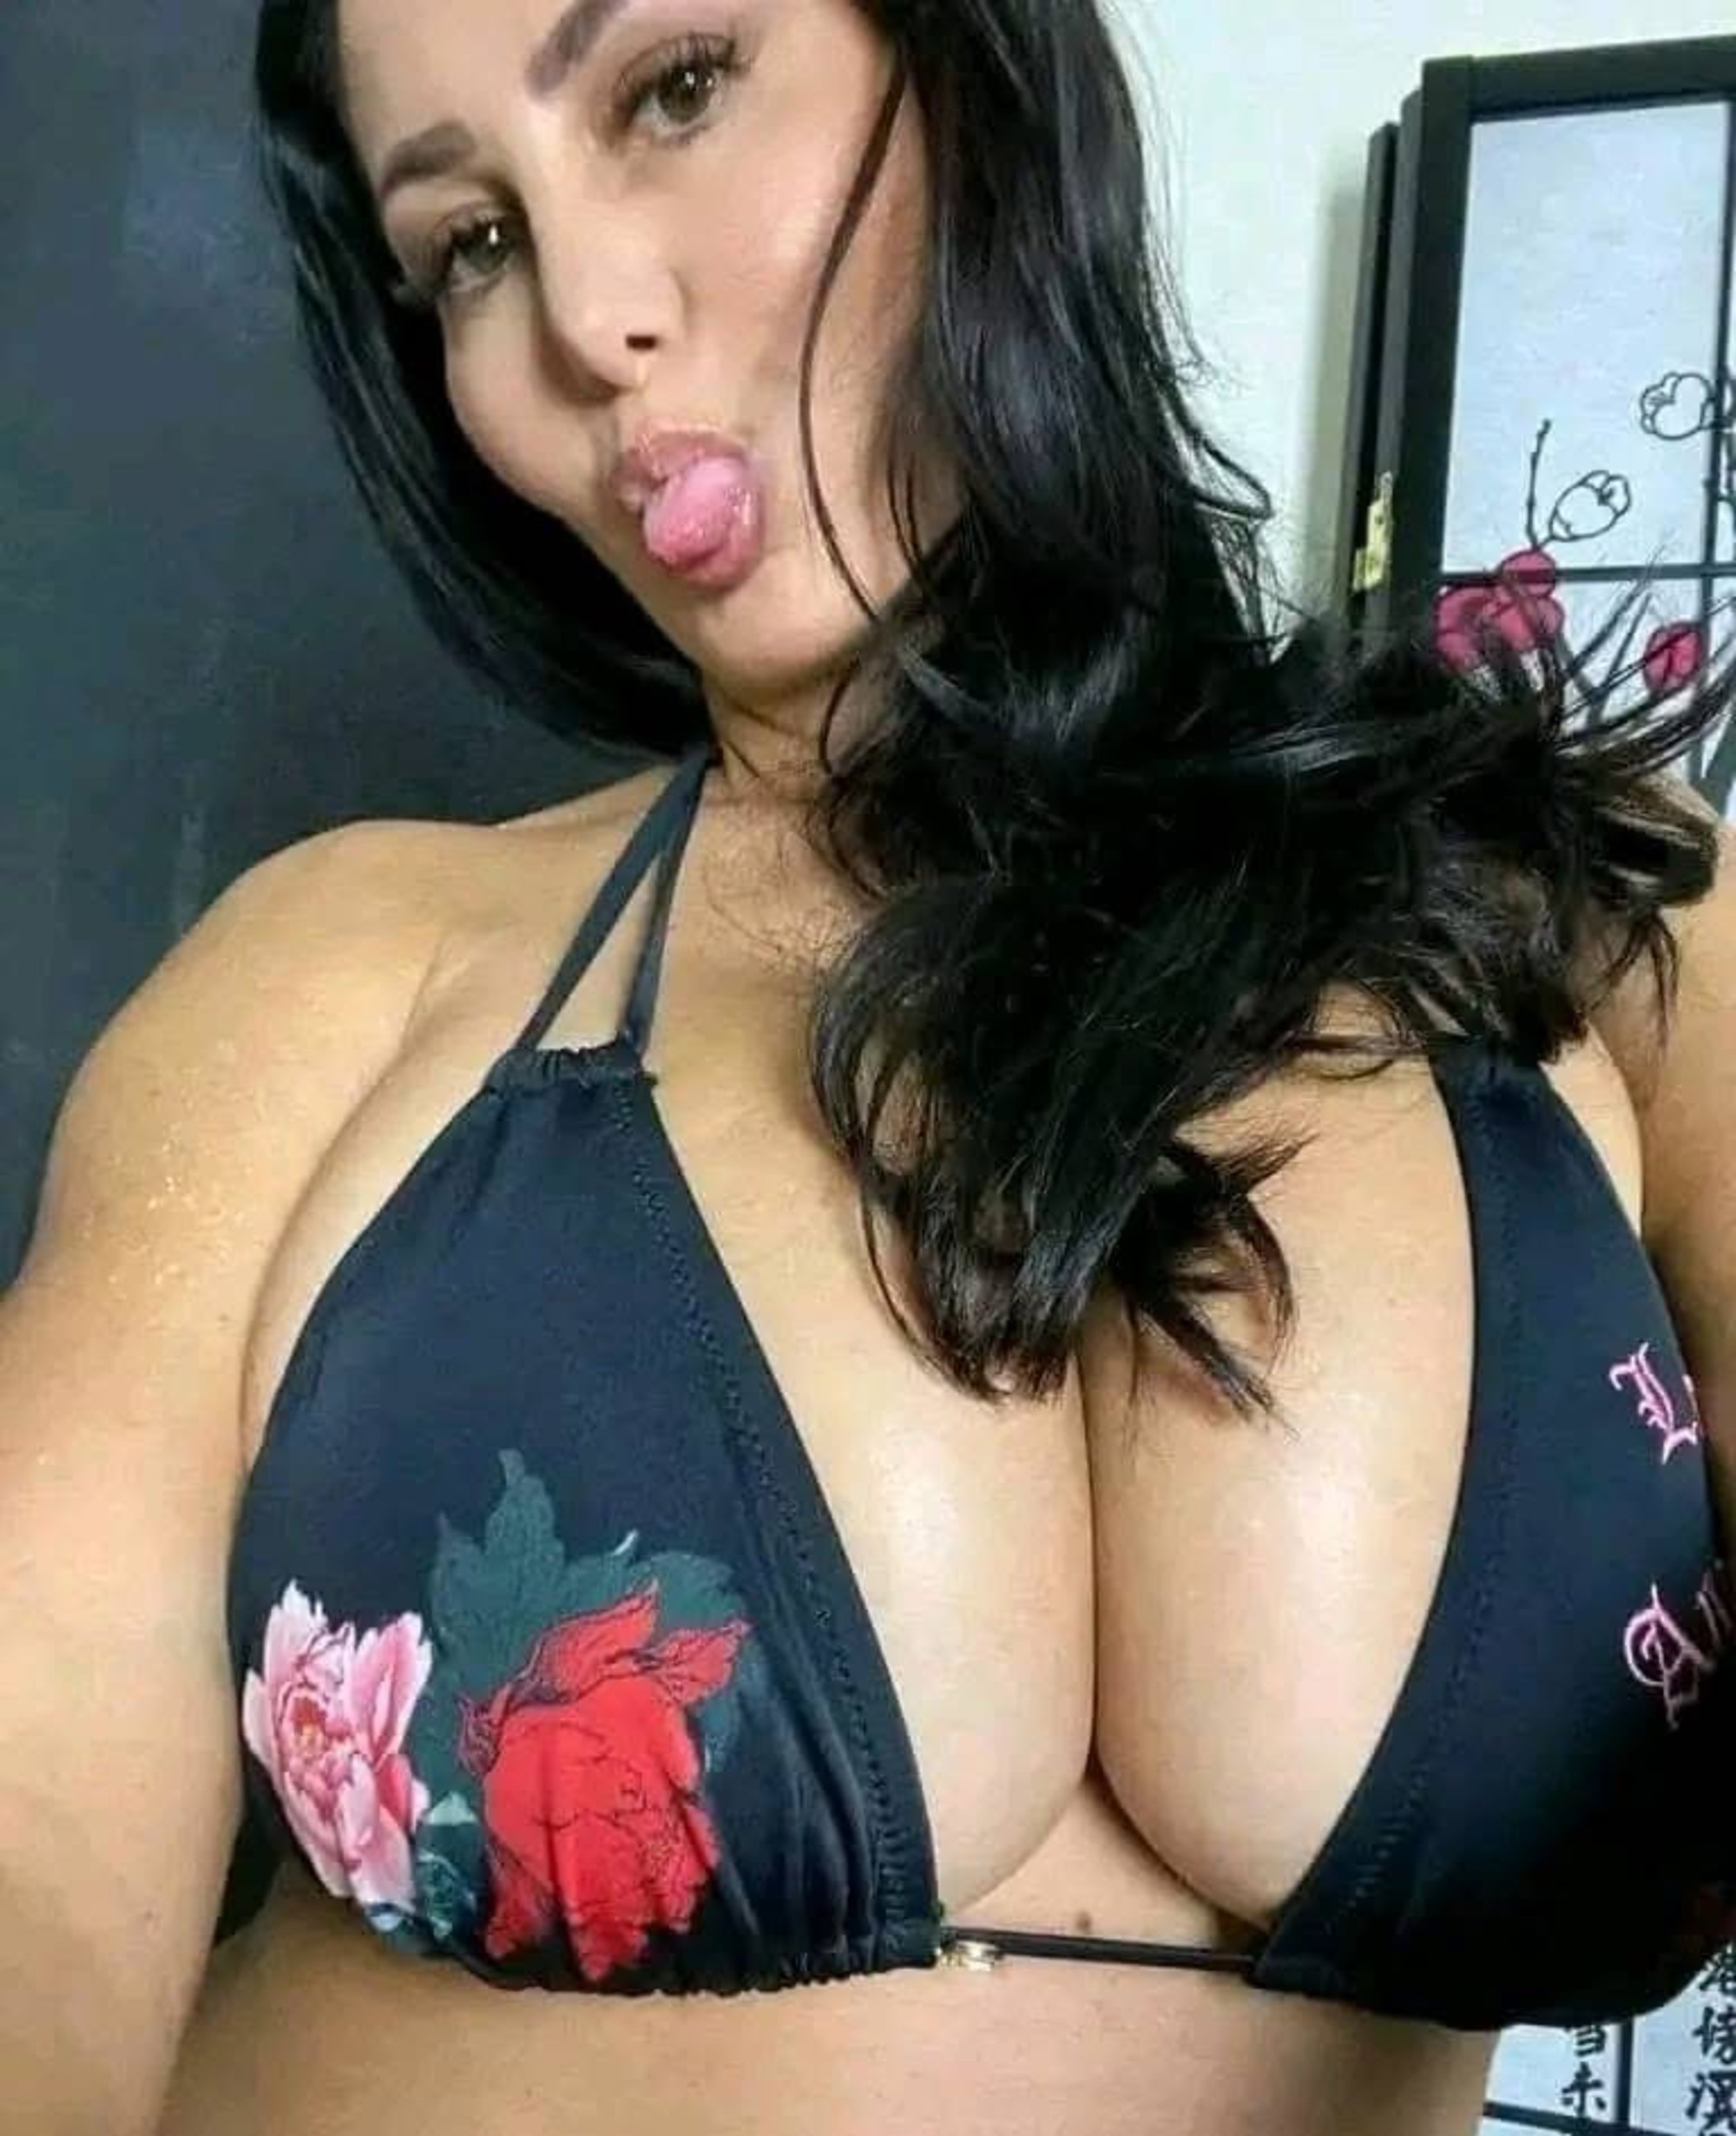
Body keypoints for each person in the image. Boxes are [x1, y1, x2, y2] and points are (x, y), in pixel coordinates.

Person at [3, 1, 1735, 2132]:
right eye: (470, 244)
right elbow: (32, 1807)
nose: (588, 325)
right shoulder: (333, 977)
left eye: (672, 89)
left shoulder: (1610, 928)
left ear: (968, 64)